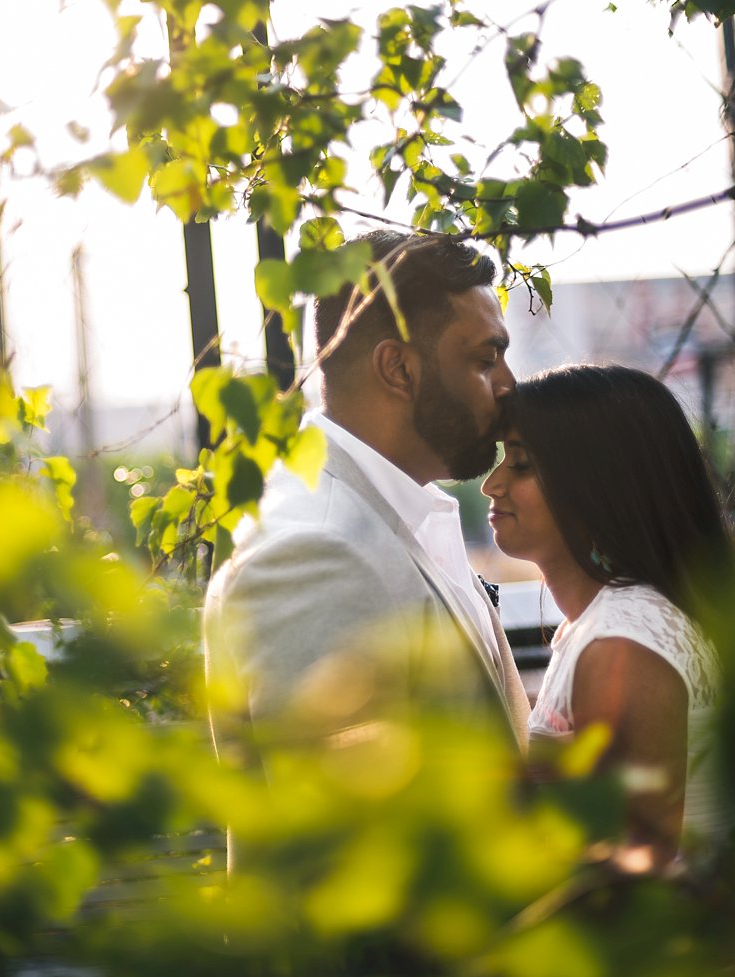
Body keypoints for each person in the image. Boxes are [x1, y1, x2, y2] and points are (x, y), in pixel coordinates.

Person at [204, 229, 531, 780]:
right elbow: (338, 825)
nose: (508, 384)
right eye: (485, 360)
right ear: (398, 369)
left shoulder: (403, 511)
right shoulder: (317, 555)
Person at [481, 363, 735, 860]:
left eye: (521, 463)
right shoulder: (605, 624)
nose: (492, 484)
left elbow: (629, 873)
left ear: (598, 484)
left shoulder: (622, 643)